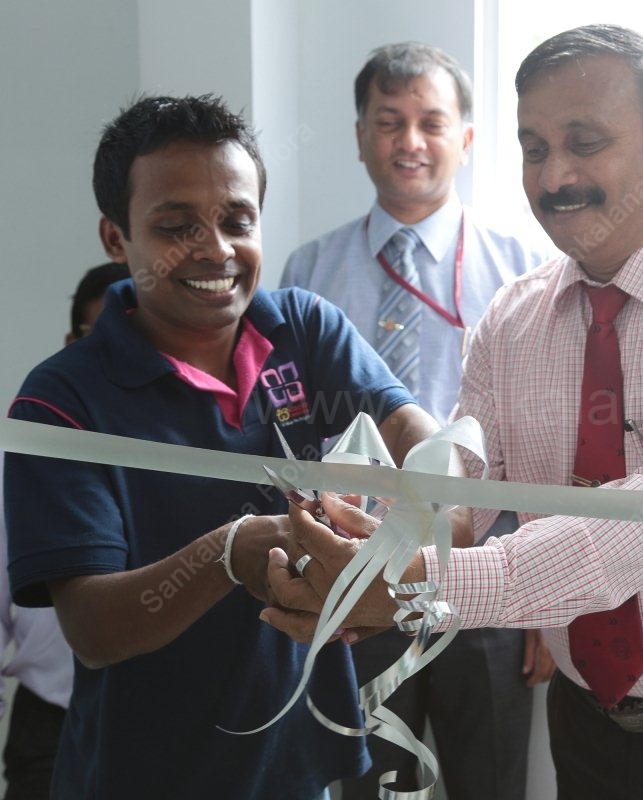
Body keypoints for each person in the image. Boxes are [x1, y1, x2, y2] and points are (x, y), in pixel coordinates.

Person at [266, 24, 643, 800]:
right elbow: (462, 489)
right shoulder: (513, 318)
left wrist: (420, 585)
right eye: (534, 149)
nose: (555, 176)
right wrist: (372, 553)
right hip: (587, 721)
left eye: (584, 143)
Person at [3, 94, 460, 800]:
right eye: (176, 227)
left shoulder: (301, 330)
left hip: (296, 764)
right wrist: (228, 552)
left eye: (238, 221)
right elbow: (92, 631)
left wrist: (430, 515)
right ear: (116, 238)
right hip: (142, 773)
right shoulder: (59, 402)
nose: (216, 249)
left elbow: (416, 437)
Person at [279, 42, 545, 800]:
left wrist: (544, 604)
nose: (410, 142)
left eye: (432, 122)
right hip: (355, 567)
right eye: (389, 121)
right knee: (369, 782)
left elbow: (539, 440)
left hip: (488, 573)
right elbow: (295, 433)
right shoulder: (307, 275)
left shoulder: (522, 268)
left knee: (490, 781)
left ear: (466, 138)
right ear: (360, 135)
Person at [0, 262, 127, 800]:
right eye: (100, 337)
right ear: (71, 343)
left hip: (183, 726)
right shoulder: (26, 457)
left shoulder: (212, 453)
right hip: (52, 725)